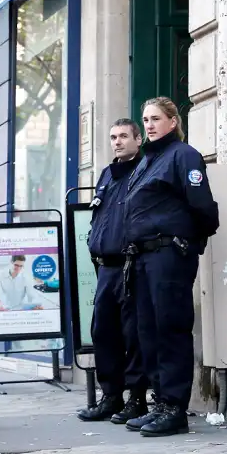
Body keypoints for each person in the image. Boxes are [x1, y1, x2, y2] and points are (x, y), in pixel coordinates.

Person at [122, 97, 219, 437]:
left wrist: (188, 243)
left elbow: (203, 208)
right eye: (145, 119)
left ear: (173, 122)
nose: (148, 125)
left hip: (169, 254)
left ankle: (175, 408)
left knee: (171, 329)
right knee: (148, 331)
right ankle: (160, 402)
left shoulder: (183, 155)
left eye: (156, 119)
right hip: (144, 257)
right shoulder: (147, 160)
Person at [77, 118, 148, 424]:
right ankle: (111, 397)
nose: (117, 142)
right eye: (113, 137)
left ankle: (136, 399)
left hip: (132, 264)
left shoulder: (145, 169)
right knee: (103, 332)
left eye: (123, 136)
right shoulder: (107, 173)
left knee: (133, 335)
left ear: (138, 138)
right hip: (105, 267)